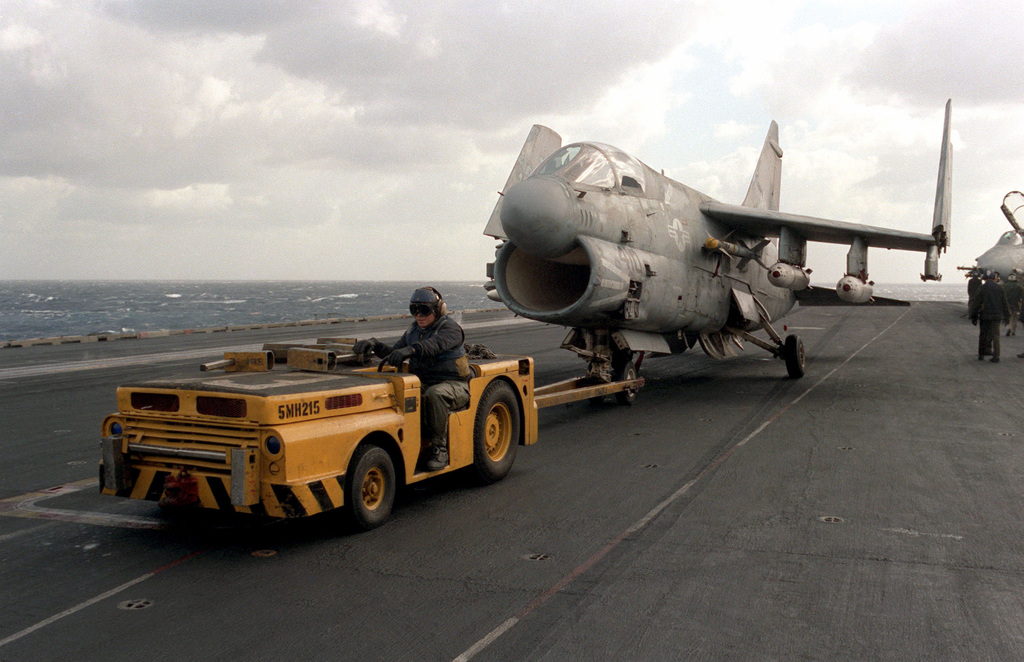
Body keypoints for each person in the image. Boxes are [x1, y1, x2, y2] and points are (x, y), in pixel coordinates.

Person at [353, 287, 471, 470]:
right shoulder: (413, 331)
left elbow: (435, 345)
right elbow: (395, 352)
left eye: (424, 310)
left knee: (435, 395)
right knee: (401, 393)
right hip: (424, 382)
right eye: (414, 310)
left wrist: (412, 350)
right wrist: (375, 344)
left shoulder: (450, 329)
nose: (418, 315)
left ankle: (440, 449)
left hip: (454, 384)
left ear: (438, 310)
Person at [968, 270, 1010, 362]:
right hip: (996, 316)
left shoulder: (981, 288)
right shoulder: (1000, 288)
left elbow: (976, 303)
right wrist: (1007, 316)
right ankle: (996, 356)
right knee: (996, 336)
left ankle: (981, 354)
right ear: (993, 278)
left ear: (984, 278)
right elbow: (1004, 303)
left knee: (983, 334)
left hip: (985, 315)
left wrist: (973, 316)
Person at [1004, 271, 1024, 336]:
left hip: (1007, 304)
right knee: (1014, 317)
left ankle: (1009, 327)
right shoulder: (1019, 287)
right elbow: (1022, 295)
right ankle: (1013, 330)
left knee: (1008, 316)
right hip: (1015, 304)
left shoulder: (1005, 286)